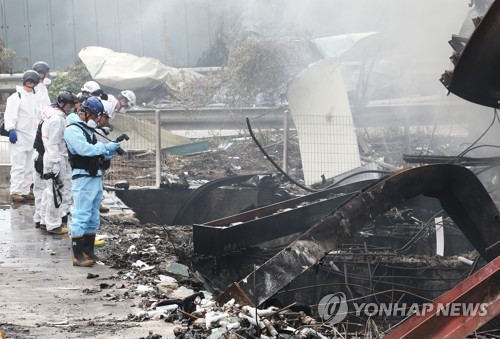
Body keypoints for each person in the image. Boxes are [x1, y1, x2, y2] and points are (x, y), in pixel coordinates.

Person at [64, 96, 121, 267]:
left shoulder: (87, 130)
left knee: (93, 217)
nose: (97, 120)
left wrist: (109, 151)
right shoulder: (73, 129)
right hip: (83, 177)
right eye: (95, 116)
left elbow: (96, 151)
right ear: (87, 112)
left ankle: (88, 252)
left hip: (94, 176)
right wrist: (104, 148)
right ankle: (77, 256)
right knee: (81, 215)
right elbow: (83, 149)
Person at [39, 91, 78, 235]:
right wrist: (56, 163)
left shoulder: (53, 115)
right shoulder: (57, 119)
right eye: (69, 105)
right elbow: (53, 143)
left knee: (49, 191)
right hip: (55, 158)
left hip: (52, 157)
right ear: (62, 103)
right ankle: (53, 224)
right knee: (56, 193)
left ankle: (44, 220)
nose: (71, 107)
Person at [4, 70, 40, 202]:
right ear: (27, 82)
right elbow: (10, 115)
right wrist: (11, 129)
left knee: (29, 165)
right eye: (31, 82)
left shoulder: (34, 98)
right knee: (18, 165)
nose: (32, 84)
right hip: (19, 136)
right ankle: (15, 191)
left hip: (32, 137)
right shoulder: (16, 97)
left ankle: (25, 190)